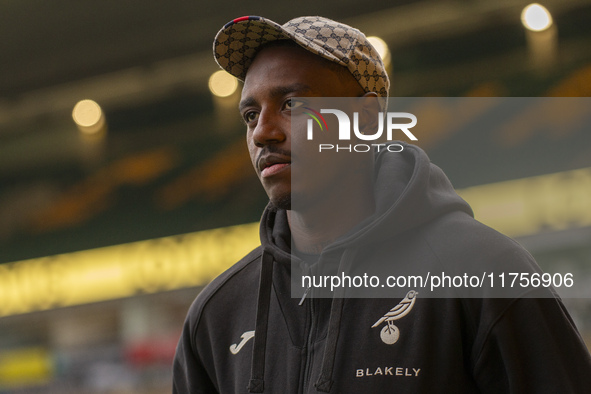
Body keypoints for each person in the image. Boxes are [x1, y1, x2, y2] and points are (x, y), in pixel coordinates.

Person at [173, 16, 591, 393]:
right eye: (250, 115)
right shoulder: (217, 315)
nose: (263, 132)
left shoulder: (485, 271)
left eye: (291, 105)